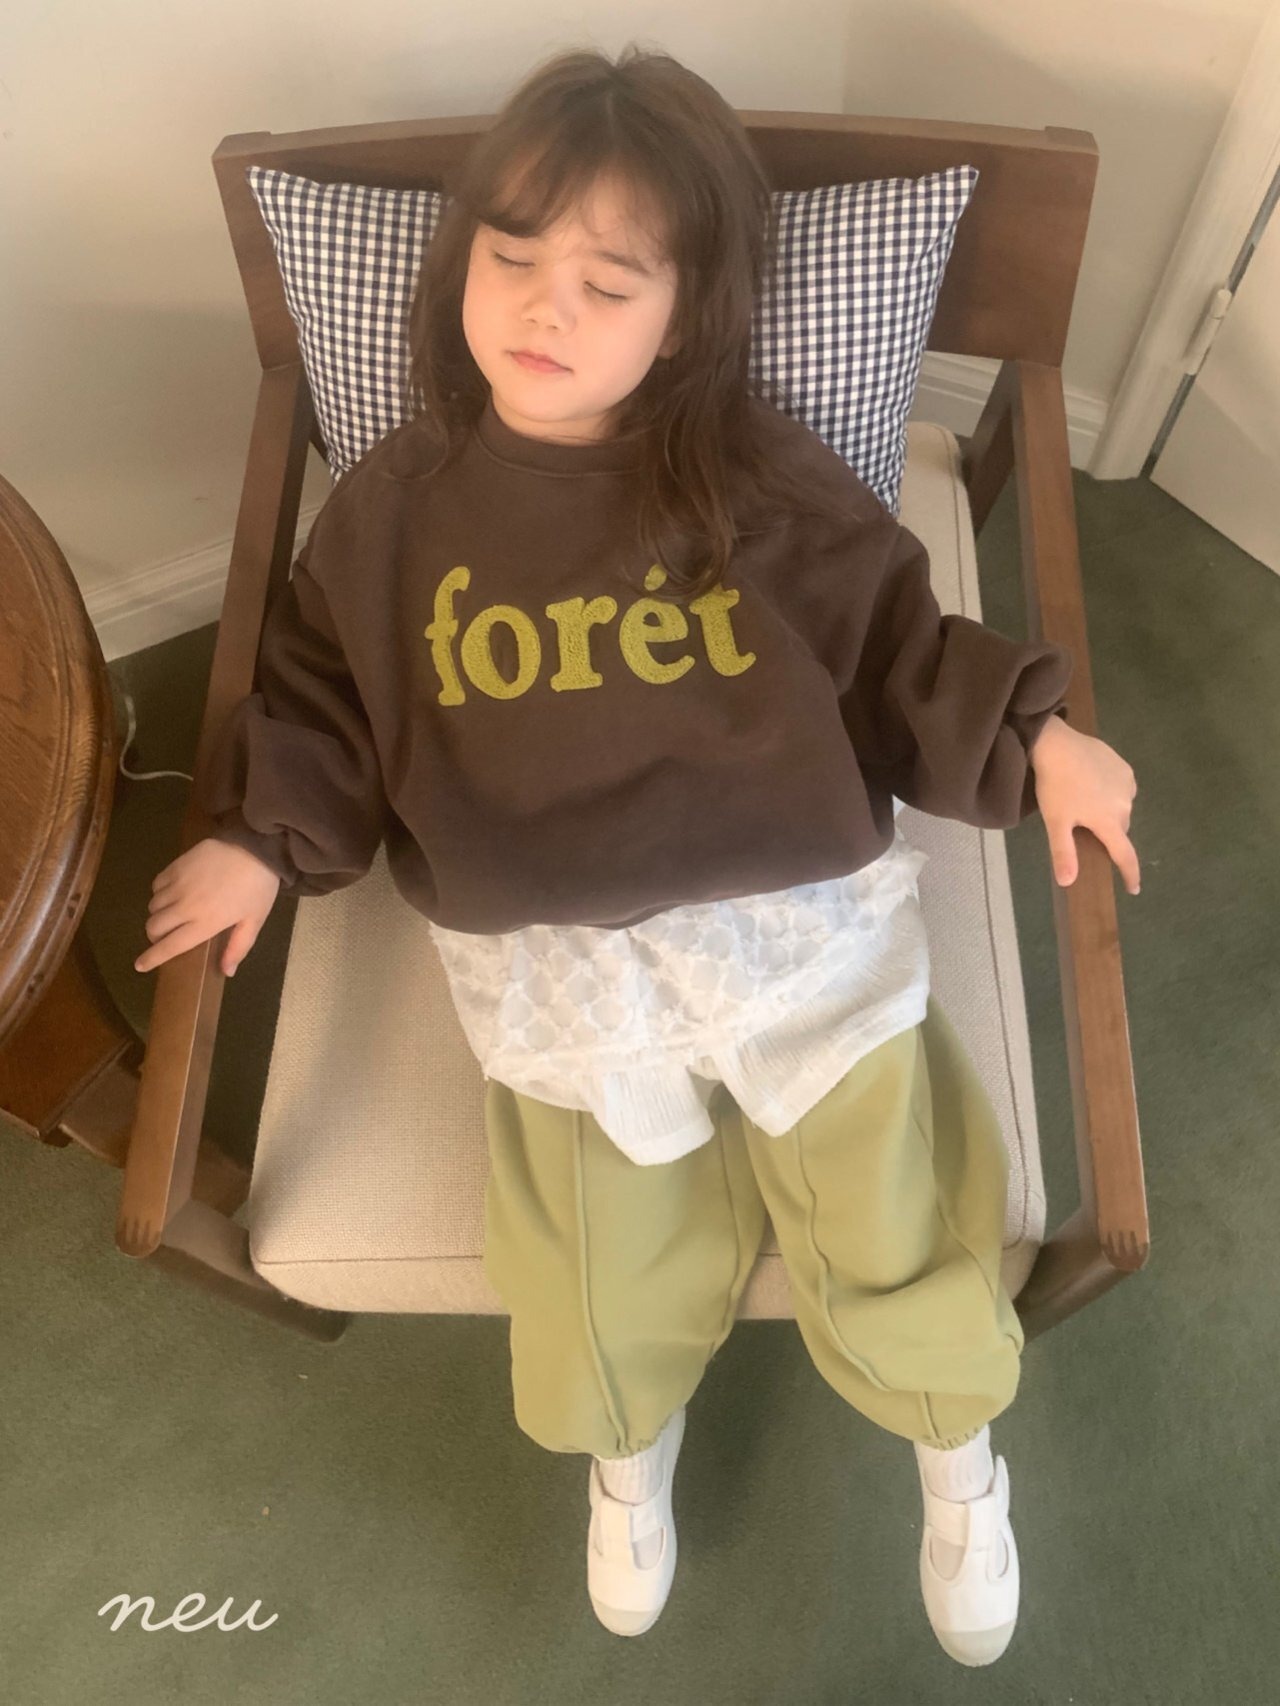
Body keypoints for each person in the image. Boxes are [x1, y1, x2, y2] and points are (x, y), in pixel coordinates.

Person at [133, 45, 1141, 1667]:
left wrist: (1037, 735)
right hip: (560, 961)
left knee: (888, 1205)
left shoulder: (753, 475)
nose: (548, 307)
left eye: (608, 283)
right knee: (596, 1259)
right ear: (460, 262)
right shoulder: (394, 508)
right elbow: (321, 694)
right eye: (512, 257)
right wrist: (263, 836)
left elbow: (896, 643)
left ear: (682, 316)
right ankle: (627, 1441)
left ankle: (955, 1444)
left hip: (790, 919)